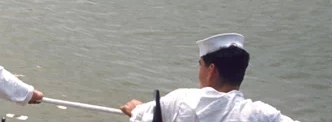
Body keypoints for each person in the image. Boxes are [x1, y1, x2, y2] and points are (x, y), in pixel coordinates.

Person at [120, 33, 298, 122]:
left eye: (200, 65)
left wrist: (136, 110)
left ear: (211, 70)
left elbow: (143, 114)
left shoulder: (182, 100)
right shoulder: (260, 114)